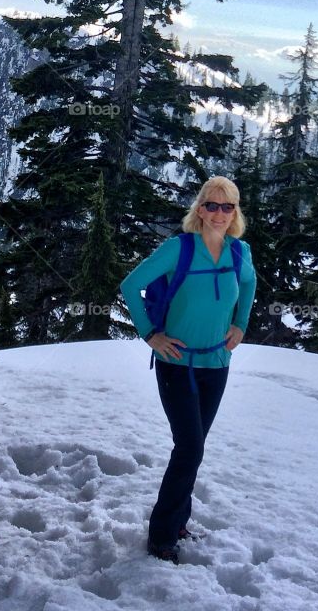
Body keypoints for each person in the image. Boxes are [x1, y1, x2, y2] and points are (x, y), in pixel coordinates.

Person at [120, 175, 256, 564]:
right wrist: (150, 335)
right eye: (210, 205)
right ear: (199, 209)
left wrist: (240, 325)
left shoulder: (238, 253)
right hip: (176, 364)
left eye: (227, 206)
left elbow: (248, 286)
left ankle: (178, 521)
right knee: (190, 447)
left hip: (216, 363)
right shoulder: (178, 249)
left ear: (235, 213)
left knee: (192, 450)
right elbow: (131, 285)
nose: (218, 213)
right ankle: (162, 534)